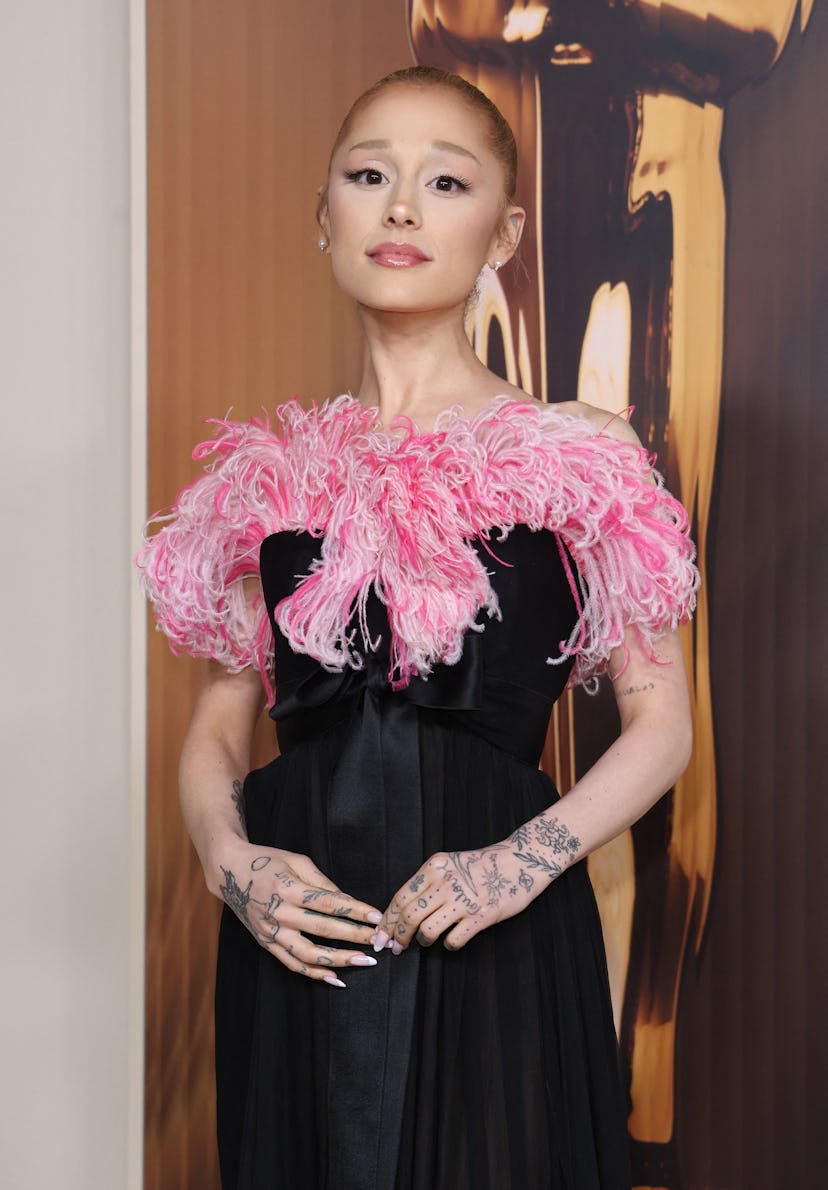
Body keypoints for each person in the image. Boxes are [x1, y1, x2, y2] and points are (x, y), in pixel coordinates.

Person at [139, 65, 698, 1190]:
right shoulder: (267, 479)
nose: (401, 207)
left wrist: (518, 865)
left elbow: (662, 721)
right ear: (325, 216)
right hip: (299, 930)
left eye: (447, 181)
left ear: (505, 231)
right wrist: (232, 862)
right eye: (369, 175)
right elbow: (216, 725)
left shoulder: (575, 455)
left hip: (492, 917)